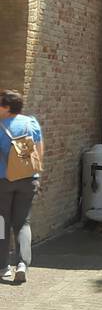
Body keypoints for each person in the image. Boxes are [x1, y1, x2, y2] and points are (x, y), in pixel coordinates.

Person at [0, 90, 43, 285]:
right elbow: (39, 151)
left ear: (7, 108)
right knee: (23, 222)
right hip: (28, 179)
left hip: (3, 180)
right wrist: (37, 176)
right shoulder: (31, 123)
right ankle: (22, 265)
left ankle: (3, 267)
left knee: (2, 222)